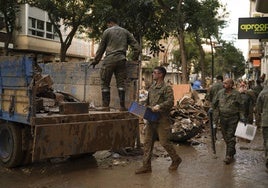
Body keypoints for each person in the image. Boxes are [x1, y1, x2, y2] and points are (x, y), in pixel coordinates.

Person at [135, 66, 181, 174]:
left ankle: (176, 159)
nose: (153, 74)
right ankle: (146, 166)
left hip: (162, 119)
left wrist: (159, 106)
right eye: (153, 72)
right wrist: (142, 110)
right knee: (147, 142)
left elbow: (170, 102)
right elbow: (148, 102)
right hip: (151, 118)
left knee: (164, 142)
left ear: (161, 75)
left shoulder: (166, 88)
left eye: (155, 73)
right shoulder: (151, 87)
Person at [91, 16, 141, 111]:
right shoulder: (126, 32)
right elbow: (137, 47)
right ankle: (122, 107)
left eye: (108, 24)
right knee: (121, 84)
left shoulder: (107, 31)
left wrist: (96, 60)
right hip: (122, 59)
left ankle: (106, 106)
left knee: (105, 83)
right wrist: (133, 58)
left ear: (110, 22)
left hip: (109, 59)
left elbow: (101, 48)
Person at [212, 78, 244, 165]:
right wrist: (213, 112)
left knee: (230, 136)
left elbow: (241, 107)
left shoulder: (236, 94)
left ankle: (228, 155)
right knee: (225, 137)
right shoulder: (220, 93)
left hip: (233, 118)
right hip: (223, 118)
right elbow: (214, 104)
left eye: (226, 83)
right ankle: (232, 151)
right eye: (224, 83)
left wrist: (242, 117)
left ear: (231, 85)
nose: (224, 84)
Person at [256, 80, 268, 172]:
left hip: (266, 120)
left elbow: (258, 109)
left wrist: (257, 122)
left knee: (266, 140)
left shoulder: (262, 93)